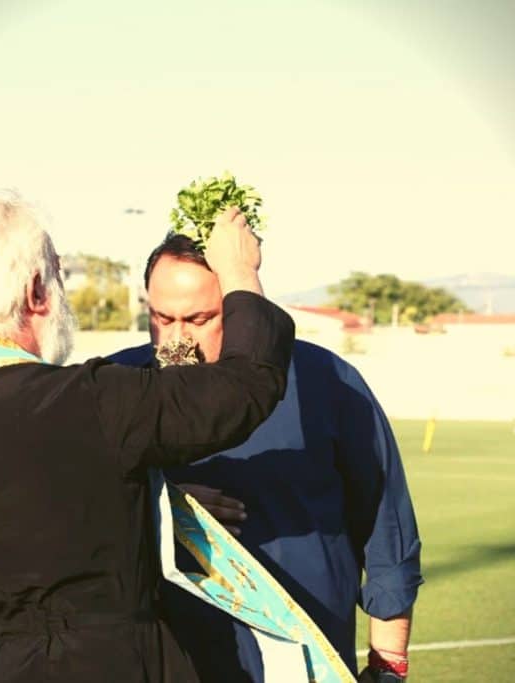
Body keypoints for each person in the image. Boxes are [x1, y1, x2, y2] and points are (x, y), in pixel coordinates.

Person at [0, 190, 295, 683]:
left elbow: (35, 514)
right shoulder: (88, 400)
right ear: (37, 291)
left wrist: (158, 504)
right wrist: (240, 273)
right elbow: (243, 388)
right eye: (57, 273)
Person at [110, 234, 422, 682]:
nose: (178, 338)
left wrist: (389, 665)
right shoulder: (115, 386)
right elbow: (57, 518)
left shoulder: (329, 382)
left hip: (304, 664)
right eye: (162, 317)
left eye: (199, 319)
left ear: (242, 306)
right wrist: (156, 507)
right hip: (165, 663)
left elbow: (388, 532)